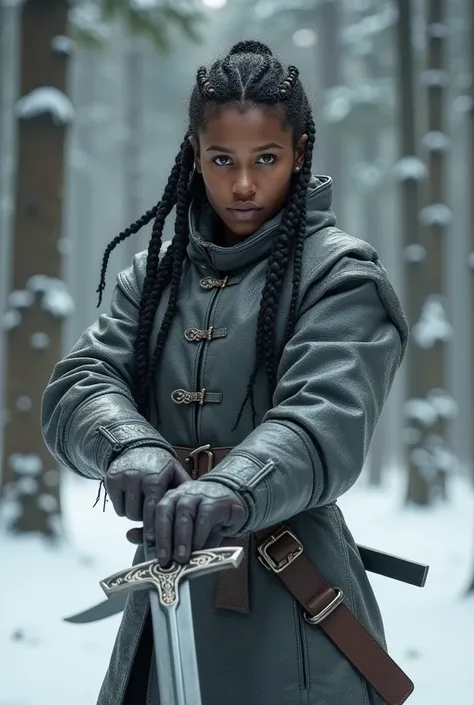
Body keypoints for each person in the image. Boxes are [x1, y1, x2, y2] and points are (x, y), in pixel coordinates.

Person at [42, 40, 411, 705]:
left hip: (291, 602)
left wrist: (234, 486)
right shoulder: (153, 276)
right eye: (222, 160)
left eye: (265, 159)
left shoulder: (341, 276)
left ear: (300, 152)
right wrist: (130, 443)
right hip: (165, 594)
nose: (243, 184)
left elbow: (321, 424)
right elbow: (80, 382)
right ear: (195, 153)